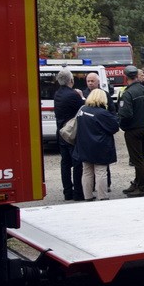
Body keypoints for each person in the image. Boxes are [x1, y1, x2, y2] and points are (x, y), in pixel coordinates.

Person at [118, 65, 144, 198]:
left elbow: (125, 114)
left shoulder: (128, 93)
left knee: (138, 160)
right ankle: (137, 183)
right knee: (140, 158)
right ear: (137, 76)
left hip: (133, 129)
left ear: (126, 77)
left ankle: (142, 187)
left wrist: (123, 125)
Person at [73, 88, 119, 201]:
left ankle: (87, 196)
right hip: (100, 146)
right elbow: (114, 127)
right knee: (101, 171)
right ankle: (102, 196)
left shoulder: (82, 110)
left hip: (84, 144)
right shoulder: (103, 113)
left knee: (87, 171)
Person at [54, 69, 86, 201]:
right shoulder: (73, 95)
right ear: (71, 81)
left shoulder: (57, 94)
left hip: (61, 132)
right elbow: (83, 108)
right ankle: (78, 192)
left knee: (65, 164)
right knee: (77, 163)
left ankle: (67, 192)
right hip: (72, 133)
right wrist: (81, 96)